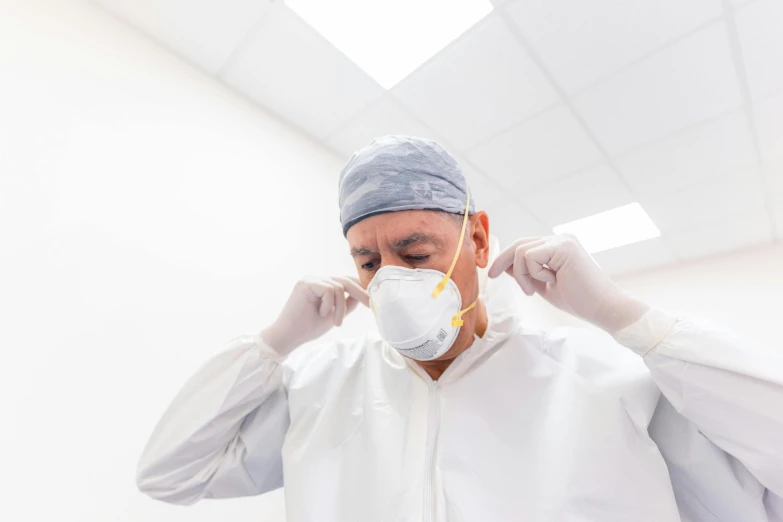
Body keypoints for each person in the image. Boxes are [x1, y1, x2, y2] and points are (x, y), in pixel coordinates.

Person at [136, 136, 783, 521]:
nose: (390, 278)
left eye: (415, 254)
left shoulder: (602, 376)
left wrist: (623, 317)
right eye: (368, 261)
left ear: (476, 238)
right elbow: (169, 474)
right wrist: (272, 344)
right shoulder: (320, 385)